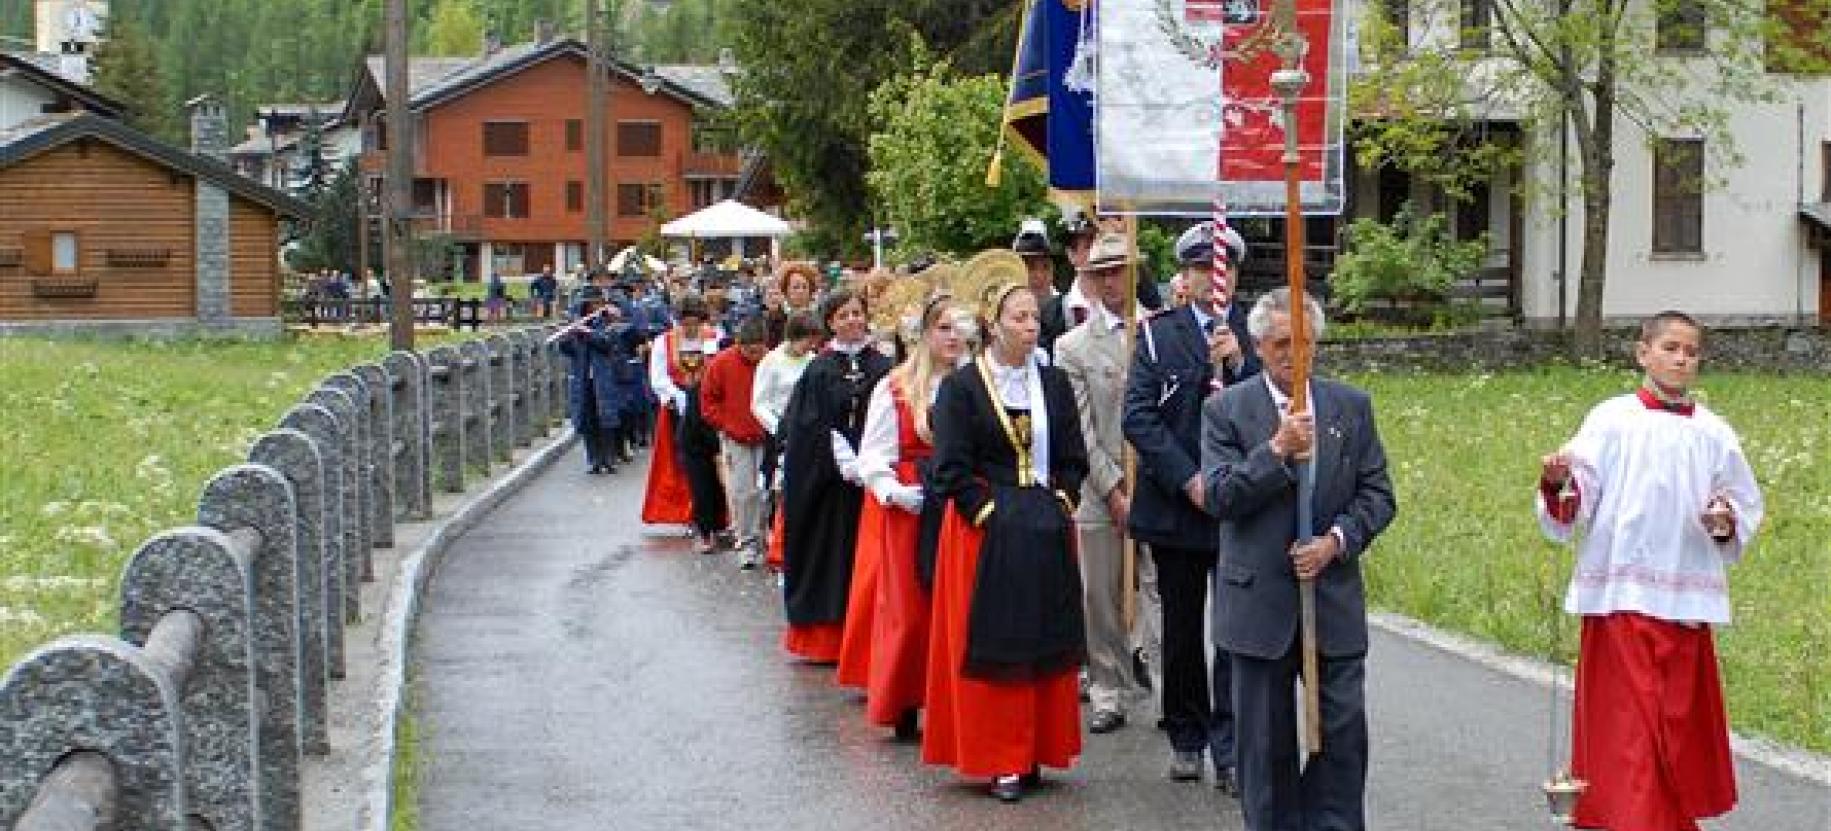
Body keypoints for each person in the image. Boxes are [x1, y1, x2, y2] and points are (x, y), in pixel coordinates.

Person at [1535, 311, 1763, 831]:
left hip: (1684, 603)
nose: (1681, 358)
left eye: (1691, 351)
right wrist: (1557, 481)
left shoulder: (1714, 433)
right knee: (1629, 737)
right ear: (1643, 353)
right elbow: (1578, 495)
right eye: (1670, 347)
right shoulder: (1612, 419)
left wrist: (1724, 518)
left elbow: (1742, 503)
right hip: (1621, 600)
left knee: (1673, 735)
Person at [1199, 287, 1396, 831]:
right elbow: (1218, 497)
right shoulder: (1226, 411)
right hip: (1258, 602)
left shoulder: (1349, 406)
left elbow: (1378, 495)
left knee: (1343, 735)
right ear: (1258, 346)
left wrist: (1335, 540)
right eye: (1282, 342)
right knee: (1264, 748)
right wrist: (1276, 451)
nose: (1294, 353)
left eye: (1305, 341)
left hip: (1330, 598)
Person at [923, 279, 1089, 803]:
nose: (1031, 326)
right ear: (993, 325)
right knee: (998, 641)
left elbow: (1072, 456)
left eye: (1034, 318)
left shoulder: (1054, 383)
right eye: (1019, 318)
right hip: (985, 534)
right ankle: (1000, 759)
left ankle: (1038, 748)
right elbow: (949, 468)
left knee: (1045, 635)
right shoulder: (963, 388)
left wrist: (1061, 501)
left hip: (1044, 526)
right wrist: (991, 513)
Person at [1121, 220, 1261, 790]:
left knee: (1233, 633)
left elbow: (1274, 408)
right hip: (1178, 506)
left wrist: (1239, 366)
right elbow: (1139, 418)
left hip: (1239, 508)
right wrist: (1188, 478)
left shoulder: (1255, 332)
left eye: (1220, 266)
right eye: (1201, 267)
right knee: (1182, 631)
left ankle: (1230, 745)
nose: (1210, 278)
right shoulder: (1158, 335)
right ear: (1185, 274)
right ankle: (1186, 734)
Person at [853, 293, 966, 739]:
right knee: (911, 609)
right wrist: (895, 493)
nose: (954, 336)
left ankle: (954, 698)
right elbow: (872, 456)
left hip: (961, 502)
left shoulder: (979, 382)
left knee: (957, 606)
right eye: (944, 327)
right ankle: (905, 696)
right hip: (912, 506)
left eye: (960, 327)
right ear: (924, 335)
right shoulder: (896, 387)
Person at [1053, 231, 1144, 736]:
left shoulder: (1158, 331)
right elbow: (1080, 427)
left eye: (1120, 270)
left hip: (1157, 485)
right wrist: (1112, 490)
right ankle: (1108, 688)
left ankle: (1164, 679)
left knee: (1157, 590)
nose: (1112, 281)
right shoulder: (1072, 346)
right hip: (1099, 485)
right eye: (1102, 272)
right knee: (1100, 594)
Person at [778, 291, 894, 662]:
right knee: (832, 553)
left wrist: (874, 461)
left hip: (876, 476)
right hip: (830, 481)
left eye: (857, 314)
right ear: (830, 322)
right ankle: (830, 637)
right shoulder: (819, 369)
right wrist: (842, 458)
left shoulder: (884, 365)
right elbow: (807, 426)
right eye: (843, 316)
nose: (852, 321)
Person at [752, 312, 824, 572]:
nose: (810, 347)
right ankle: (775, 541)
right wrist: (778, 428)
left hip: (806, 434)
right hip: (779, 433)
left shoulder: (814, 362)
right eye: (807, 341)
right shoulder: (771, 362)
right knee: (777, 487)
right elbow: (759, 402)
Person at [643, 296, 724, 527]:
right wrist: (678, 397)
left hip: (707, 408)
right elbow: (658, 377)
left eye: (694, 323)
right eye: (685, 323)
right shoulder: (664, 342)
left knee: (712, 463)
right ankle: (687, 512)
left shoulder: (713, 337)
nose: (689, 328)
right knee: (681, 464)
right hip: (677, 410)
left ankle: (713, 515)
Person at [700, 319, 772, 565]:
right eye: (749, 351)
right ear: (739, 345)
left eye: (759, 351)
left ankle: (766, 537)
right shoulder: (721, 363)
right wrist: (728, 425)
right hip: (737, 438)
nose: (755, 357)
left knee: (768, 490)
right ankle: (748, 541)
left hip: (767, 435)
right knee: (743, 490)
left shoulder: (771, 362)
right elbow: (708, 401)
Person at [554, 288, 631, 474]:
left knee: (606, 419)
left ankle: (609, 458)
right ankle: (594, 459)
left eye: (597, 303)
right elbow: (568, 351)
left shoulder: (608, 321)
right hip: (583, 380)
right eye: (590, 303)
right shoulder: (577, 322)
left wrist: (587, 333)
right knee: (587, 419)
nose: (594, 307)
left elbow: (608, 343)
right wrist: (566, 337)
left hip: (603, 378)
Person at [675, 338, 730, 554]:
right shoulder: (700, 385)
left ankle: (718, 526)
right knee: (702, 487)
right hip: (695, 442)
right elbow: (698, 419)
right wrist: (717, 447)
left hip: (718, 437)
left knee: (718, 488)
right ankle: (705, 532)